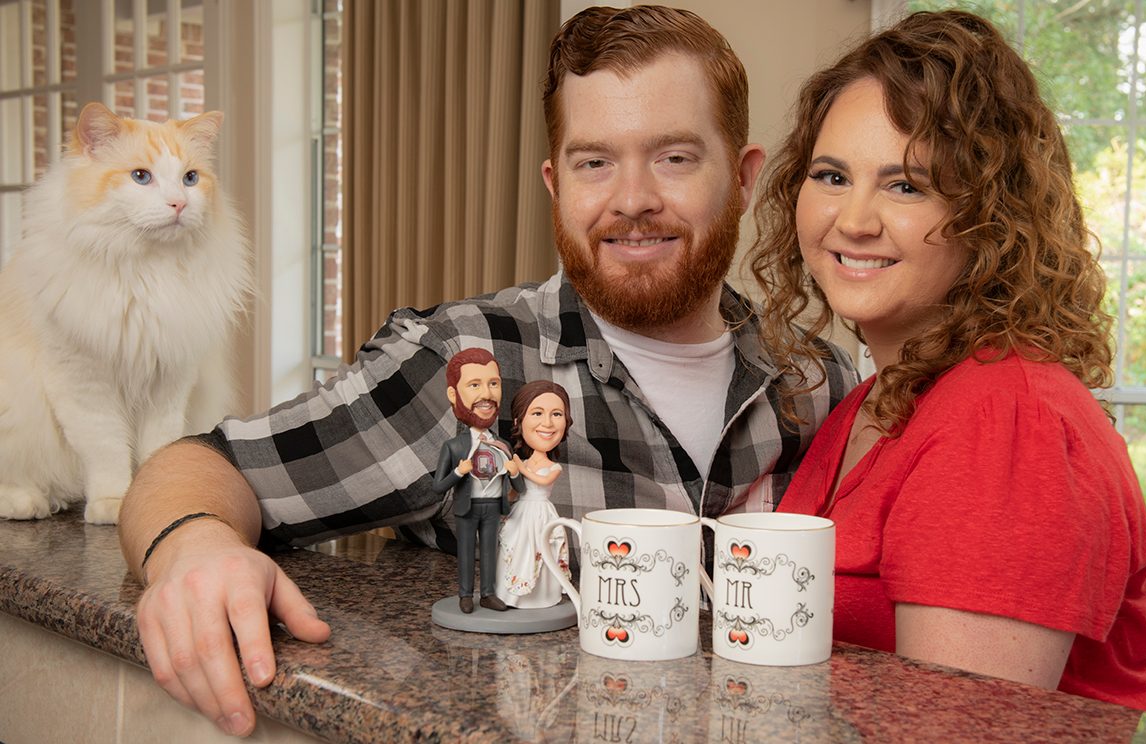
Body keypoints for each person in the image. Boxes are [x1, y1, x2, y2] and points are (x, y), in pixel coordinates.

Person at [117, 5, 856, 737]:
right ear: (555, 183)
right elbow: (205, 466)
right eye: (595, 163)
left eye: (675, 158)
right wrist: (195, 550)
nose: (632, 200)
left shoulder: (820, 383)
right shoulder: (465, 361)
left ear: (743, 177)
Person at [747, 10, 1146, 712]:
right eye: (831, 175)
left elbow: (956, 726)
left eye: (907, 186)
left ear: (991, 217)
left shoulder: (1009, 422)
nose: (854, 221)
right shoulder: (872, 403)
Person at [432, 348, 523, 614]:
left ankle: (487, 594)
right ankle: (465, 595)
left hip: (494, 507)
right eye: (474, 385)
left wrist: (514, 472)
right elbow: (437, 487)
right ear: (453, 394)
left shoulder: (502, 446)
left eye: (493, 383)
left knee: (490, 552)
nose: (487, 394)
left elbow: (520, 488)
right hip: (467, 507)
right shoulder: (453, 447)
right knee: (466, 552)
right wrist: (458, 472)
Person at [496, 380, 573, 609]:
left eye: (557, 414)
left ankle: (543, 595)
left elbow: (542, 481)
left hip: (541, 512)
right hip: (522, 511)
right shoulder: (524, 462)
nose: (547, 423)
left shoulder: (553, 467)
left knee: (542, 547)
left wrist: (520, 467)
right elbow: (516, 489)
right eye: (537, 413)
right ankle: (511, 593)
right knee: (518, 548)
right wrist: (503, 502)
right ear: (519, 421)